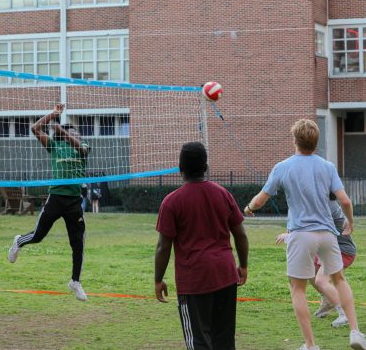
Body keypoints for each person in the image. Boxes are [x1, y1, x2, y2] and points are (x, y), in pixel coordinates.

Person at [244, 119, 366, 350]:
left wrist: (249, 208)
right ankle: (356, 332)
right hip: (328, 234)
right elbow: (345, 200)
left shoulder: (283, 166)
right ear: (316, 142)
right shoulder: (327, 166)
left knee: (298, 289)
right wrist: (350, 223)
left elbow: (259, 200)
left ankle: (310, 345)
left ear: (295, 140)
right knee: (339, 280)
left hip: (301, 234)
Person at [155, 142, 249, 350]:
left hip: (194, 280)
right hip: (225, 275)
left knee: (198, 342)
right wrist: (243, 266)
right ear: (206, 167)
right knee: (224, 339)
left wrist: (158, 279)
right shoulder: (223, 194)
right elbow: (241, 234)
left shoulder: (171, 202)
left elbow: (163, 247)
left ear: (180, 168)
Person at [8, 103, 90, 301]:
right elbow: (35, 129)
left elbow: (80, 147)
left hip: (74, 202)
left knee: (77, 244)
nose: (76, 134)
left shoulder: (83, 148)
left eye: (77, 132)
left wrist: (61, 129)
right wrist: (53, 115)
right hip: (56, 198)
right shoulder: (55, 146)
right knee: (38, 236)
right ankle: (19, 241)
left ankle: (75, 282)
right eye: (73, 132)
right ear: (63, 136)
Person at [276, 191, 357, 328]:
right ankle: (328, 301)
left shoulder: (326, 206)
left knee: (321, 280)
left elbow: (314, 231)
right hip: (326, 250)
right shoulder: (315, 203)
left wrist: (289, 237)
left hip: (342, 251)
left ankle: (344, 314)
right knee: (310, 274)